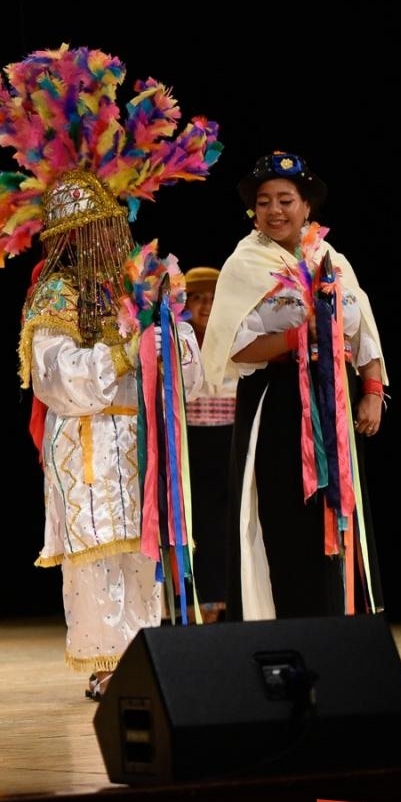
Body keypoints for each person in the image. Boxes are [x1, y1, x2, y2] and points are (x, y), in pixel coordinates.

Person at [0, 45, 219, 699]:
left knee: (142, 553)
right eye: (94, 235)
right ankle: (107, 664)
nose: (107, 245)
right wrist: (123, 345)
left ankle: (153, 656)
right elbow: (59, 382)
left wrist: (170, 336)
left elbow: (187, 377)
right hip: (86, 444)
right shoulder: (52, 299)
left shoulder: (143, 286)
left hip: (139, 439)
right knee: (96, 560)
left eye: (111, 231)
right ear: (70, 240)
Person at [200, 152, 386, 621]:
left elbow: (362, 327)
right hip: (277, 403)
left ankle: (342, 624)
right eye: (264, 202)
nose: (275, 210)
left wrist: (371, 390)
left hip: (334, 401)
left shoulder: (331, 258)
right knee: (285, 518)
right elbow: (233, 348)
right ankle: (288, 624)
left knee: (341, 513)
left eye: (286, 199)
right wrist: (297, 336)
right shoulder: (245, 263)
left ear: (307, 206)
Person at [183, 266, 235, 621]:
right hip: (191, 440)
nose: (205, 305)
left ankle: (229, 601)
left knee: (227, 522)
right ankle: (196, 605)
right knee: (195, 522)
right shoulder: (178, 340)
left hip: (229, 437)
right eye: (197, 297)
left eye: (213, 297)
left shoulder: (236, 336)